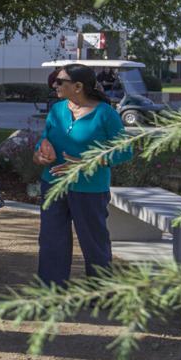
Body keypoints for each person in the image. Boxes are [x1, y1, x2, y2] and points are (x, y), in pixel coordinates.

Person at [32, 63, 133, 287]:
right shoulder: (57, 109)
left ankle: (99, 292)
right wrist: (40, 154)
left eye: (60, 82)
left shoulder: (105, 114)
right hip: (53, 184)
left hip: (89, 189)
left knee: (94, 242)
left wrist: (85, 163)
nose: (54, 85)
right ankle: (51, 289)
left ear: (78, 86)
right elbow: (45, 139)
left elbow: (124, 150)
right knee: (51, 240)